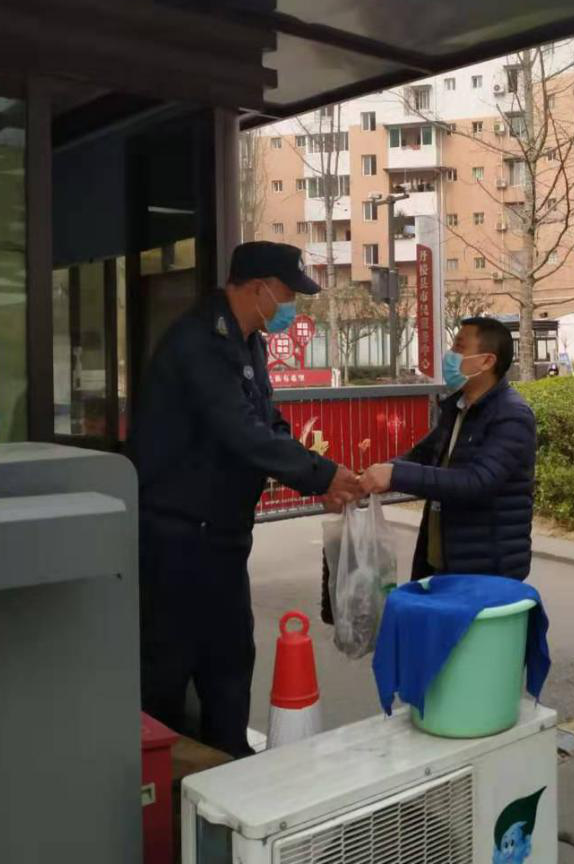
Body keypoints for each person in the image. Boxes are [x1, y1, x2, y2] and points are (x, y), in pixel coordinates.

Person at [128, 241, 360, 757]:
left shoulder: (247, 340)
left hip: (222, 538)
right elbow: (239, 431)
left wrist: (317, 475)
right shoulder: (199, 342)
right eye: (287, 294)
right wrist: (321, 476)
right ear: (259, 288)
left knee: (229, 660)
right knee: (166, 667)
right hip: (177, 539)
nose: (290, 306)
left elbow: (266, 421)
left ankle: (230, 760)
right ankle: (157, 782)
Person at [360, 317, 536, 580]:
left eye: (459, 347)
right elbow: (423, 456)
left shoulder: (512, 415)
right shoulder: (458, 408)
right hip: (442, 561)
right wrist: (367, 479)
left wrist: (395, 475)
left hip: (486, 572)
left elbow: (477, 482)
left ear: (487, 361)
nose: (450, 355)